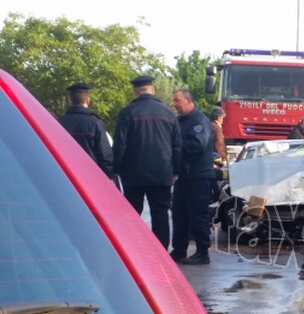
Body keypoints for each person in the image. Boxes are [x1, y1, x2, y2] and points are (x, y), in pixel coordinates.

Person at [113, 75, 182, 250]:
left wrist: (117, 169)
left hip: (133, 174)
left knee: (132, 215)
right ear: (153, 89)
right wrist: (175, 169)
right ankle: (161, 250)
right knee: (160, 214)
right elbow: (177, 146)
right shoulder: (168, 114)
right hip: (162, 172)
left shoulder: (127, 113)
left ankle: (133, 249)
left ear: (135, 91)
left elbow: (120, 145)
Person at [171, 89, 215, 265]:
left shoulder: (199, 121)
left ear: (188, 101)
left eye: (177, 100)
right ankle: (179, 249)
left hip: (198, 176)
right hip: (184, 176)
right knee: (179, 214)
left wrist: (174, 148)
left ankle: (202, 252)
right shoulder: (180, 121)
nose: (175, 104)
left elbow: (198, 145)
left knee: (198, 215)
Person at [58, 83, 114, 179]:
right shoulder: (95, 123)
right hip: (91, 177)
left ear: (70, 101)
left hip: (65, 176)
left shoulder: (59, 123)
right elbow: (105, 156)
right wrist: (108, 177)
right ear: (87, 100)